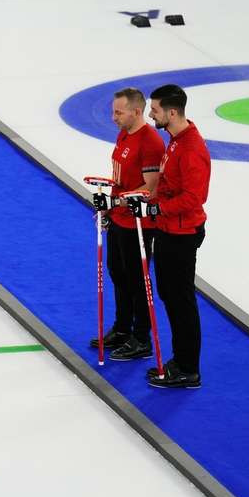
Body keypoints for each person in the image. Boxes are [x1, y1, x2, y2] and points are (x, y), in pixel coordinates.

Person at [129, 84, 210, 389]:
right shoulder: (175, 141)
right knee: (169, 296)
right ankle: (180, 359)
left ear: (172, 112)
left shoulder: (191, 149)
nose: (151, 115)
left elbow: (194, 198)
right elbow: (167, 187)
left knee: (180, 300)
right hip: (167, 229)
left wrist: (156, 208)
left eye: (155, 110)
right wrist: (144, 200)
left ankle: (189, 368)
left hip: (181, 233)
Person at [91, 88, 165, 361]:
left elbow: (151, 188)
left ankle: (141, 338)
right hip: (120, 217)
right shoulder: (124, 133)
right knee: (118, 274)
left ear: (136, 111)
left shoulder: (151, 142)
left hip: (138, 222)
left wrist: (116, 203)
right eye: (113, 111)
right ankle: (122, 328)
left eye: (118, 112)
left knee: (137, 280)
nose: (113, 117)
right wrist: (108, 207)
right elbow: (119, 179)